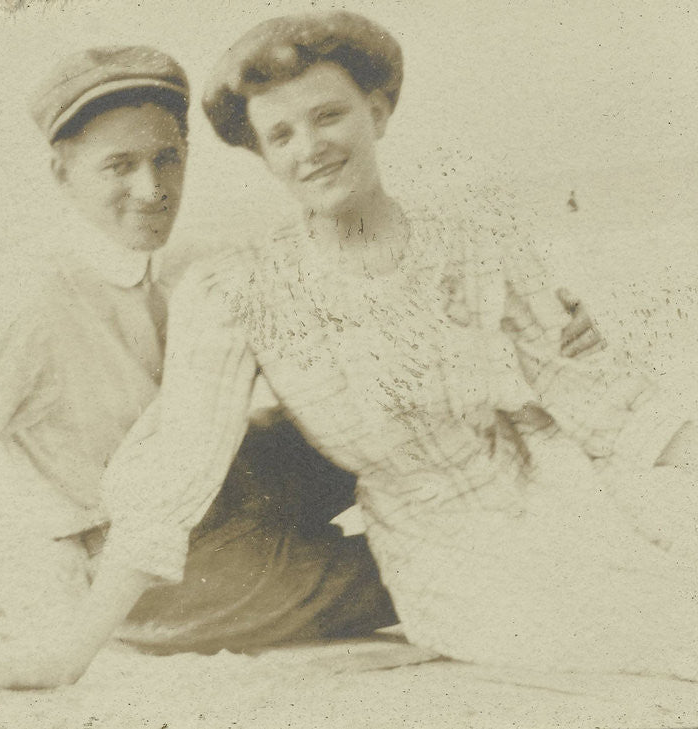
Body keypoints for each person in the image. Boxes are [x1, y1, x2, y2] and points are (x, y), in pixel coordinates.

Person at [0, 45, 402, 726]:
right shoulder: (27, 303)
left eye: (167, 157)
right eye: (118, 166)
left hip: (234, 483)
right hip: (141, 574)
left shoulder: (192, 256)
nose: (150, 188)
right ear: (61, 173)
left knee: (406, 407)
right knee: (415, 566)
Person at [185, 11, 698, 681]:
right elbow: (176, 465)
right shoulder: (246, 286)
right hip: (438, 548)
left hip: (547, 474)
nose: (309, 146)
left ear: (377, 111)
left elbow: (591, 395)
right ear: (263, 154)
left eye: (329, 115)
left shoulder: (472, 236)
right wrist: (70, 651)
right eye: (281, 133)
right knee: (657, 631)